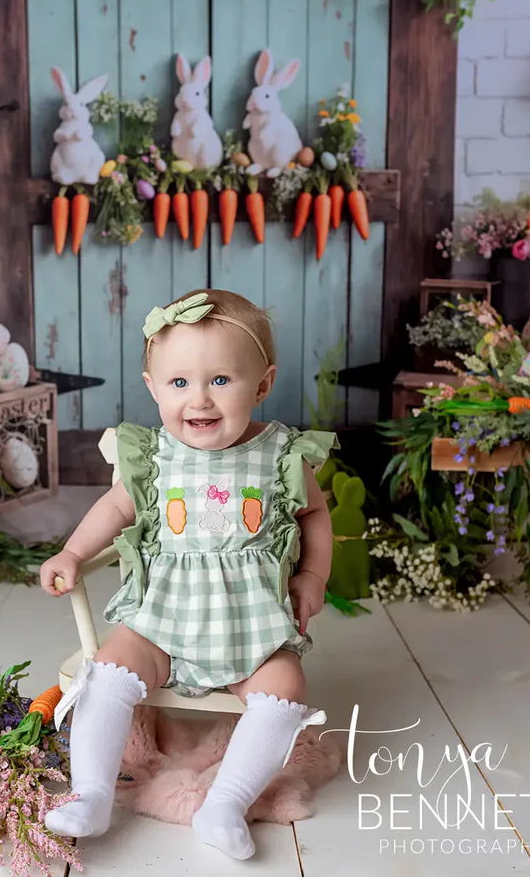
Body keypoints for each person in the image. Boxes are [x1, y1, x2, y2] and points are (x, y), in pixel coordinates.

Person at [40, 289, 335, 859]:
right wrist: (73, 554)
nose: (198, 398)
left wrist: (312, 575)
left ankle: (225, 803)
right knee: (105, 673)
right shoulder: (152, 456)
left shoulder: (281, 455)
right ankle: (92, 794)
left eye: (221, 380)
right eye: (179, 383)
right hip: (161, 615)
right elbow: (114, 510)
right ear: (153, 387)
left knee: (284, 688)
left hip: (252, 625)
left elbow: (315, 514)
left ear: (263, 384)